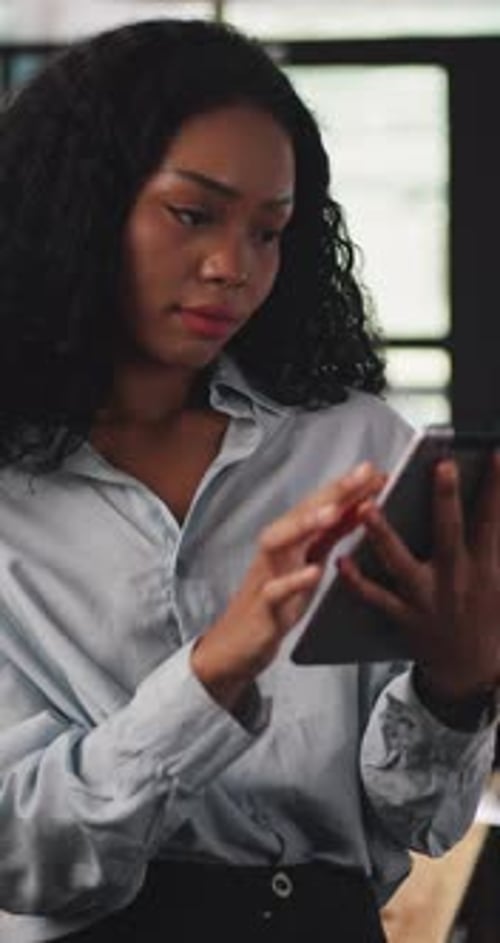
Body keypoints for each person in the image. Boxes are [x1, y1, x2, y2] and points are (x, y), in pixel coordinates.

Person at [0, 17, 498, 943]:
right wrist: (216, 667)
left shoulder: (354, 443)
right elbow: (23, 851)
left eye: (270, 232)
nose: (234, 268)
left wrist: (455, 685)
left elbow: (416, 823)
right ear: (78, 204)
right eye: (193, 214)